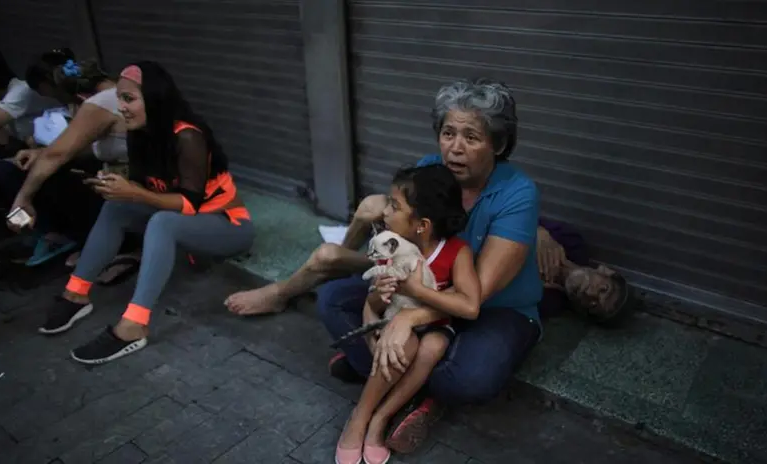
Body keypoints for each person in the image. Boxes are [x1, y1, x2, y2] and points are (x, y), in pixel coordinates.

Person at [227, 77, 543, 454]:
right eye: (447, 133)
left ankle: (396, 380)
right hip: (420, 292)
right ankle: (411, 383)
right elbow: (398, 242)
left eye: (471, 138)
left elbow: (477, 295)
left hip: (491, 311)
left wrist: (405, 320)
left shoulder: (516, 193)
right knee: (332, 300)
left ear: (499, 143)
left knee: (473, 378)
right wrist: (378, 297)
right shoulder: (429, 171)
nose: (454, 149)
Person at [39, 61, 254, 365]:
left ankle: (133, 325)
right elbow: (145, 186)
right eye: (120, 99)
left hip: (229, 226)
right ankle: (76, 294)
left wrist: (136, 193)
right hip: (189, 223)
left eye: (129, 99)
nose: (122, 108)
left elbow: (189, 204)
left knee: (163, 221)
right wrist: (118, 188)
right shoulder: (141, 132)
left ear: (154, 99)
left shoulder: (187, 136)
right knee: (116, 206)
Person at [335, 164, 480, 464]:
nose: (385, 212)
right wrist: (372, 317)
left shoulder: (457, 252)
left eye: (394, 206)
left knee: (433, 346)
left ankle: (380, 419)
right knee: (402, 345)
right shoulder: (392, 247)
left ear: (421, 225)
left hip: (434, 323)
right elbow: (374, 302)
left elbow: (470, 306)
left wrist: (417, 291)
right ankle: (359, 418)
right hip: (394, 322)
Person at [0, 48, 138, 271]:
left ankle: (108, 242)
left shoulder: (101, 103)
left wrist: (23, 199)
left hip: (133, 187)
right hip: (131, 178)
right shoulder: (113, 90)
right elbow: (84, 147)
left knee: (53, 177)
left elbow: (59, 155)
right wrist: (42, 153)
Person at [0, 42, 59, 268]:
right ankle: (27, 230)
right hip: (29, 151)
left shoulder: (20, 91)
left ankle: (46, 232)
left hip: (54, 151)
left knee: (0, 172)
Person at [536, 218, 635, 325]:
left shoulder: (548, 302)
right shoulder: (572, 243)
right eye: (603, 289)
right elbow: (520, 211)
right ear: (605, 271)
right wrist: (537, 232)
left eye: (593, 305)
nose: (589, 293)